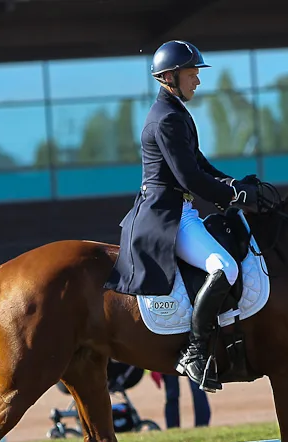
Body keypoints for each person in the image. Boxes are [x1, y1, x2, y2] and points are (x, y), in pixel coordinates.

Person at [103, 39, 260, 393]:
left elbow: (200, 165)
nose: (198, 81)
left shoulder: (177, 113)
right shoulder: (167, 118)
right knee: (225, 268)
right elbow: (189, 178)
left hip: (179, 208)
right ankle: (195, 351)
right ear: (171, 76)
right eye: (192, 74)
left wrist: (236, 186)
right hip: (168, 216)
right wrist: (232, 194)